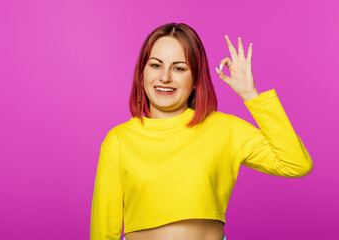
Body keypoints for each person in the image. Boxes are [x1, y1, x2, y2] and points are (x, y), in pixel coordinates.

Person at [90, 22, 313, 240]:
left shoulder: (225, 128)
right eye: (156, 65)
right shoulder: (119, 140)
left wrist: (250, 95)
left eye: (179, 68)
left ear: (196, 79)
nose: (165, 77)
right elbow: (103, 227)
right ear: (142, 73)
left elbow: (296, 163)